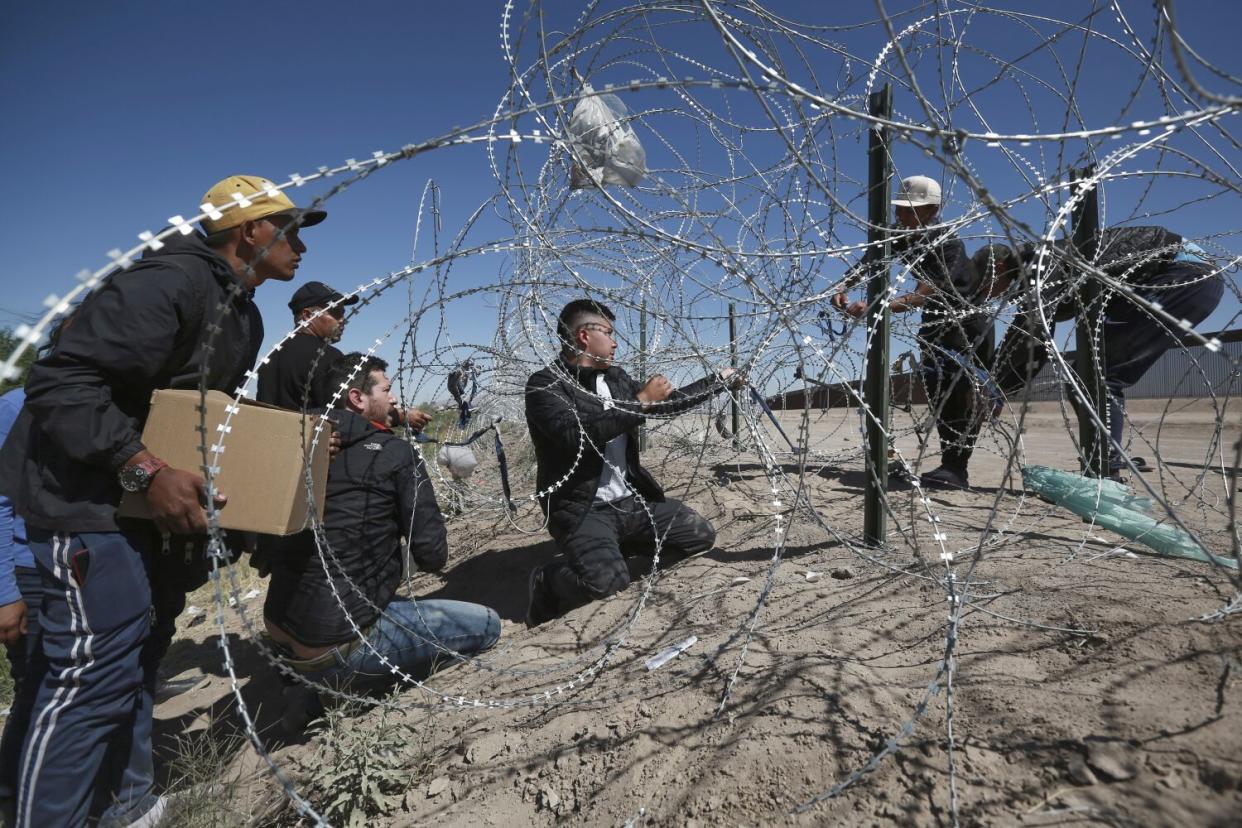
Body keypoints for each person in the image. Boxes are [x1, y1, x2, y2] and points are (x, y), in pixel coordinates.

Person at [0, 174, 326, 827]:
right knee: (86, 686)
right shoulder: (168, 283)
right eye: (288, 229)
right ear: (249, 230)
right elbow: (60, 382)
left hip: (144, 521)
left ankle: (124, 806)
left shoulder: (241, 309)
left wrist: (285, 448)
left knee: (133, 665)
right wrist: (144, 469)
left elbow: (194, 415)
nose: (300, 246)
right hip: (88, 508)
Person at [263, 353, 499, 728]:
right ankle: (343, 693)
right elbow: (433, 553)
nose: (394, 400)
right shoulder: (395, 454)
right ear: (357, 399)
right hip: (334, 649)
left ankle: (307, 681)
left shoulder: (298, 446)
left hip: (279, 629)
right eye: (386, 390)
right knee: (487, 625)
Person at [523, 299, 741, 627]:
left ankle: (616, 550)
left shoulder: (616, 378)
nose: (614, 342)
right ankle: (549, 579)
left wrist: (718, 381)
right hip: (582, 510)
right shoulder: (546, 386)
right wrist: (641, 402)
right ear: (584, 336)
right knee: (607, 584)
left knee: (700, 536)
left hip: (629, 502)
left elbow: (666, 405)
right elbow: (577, 436)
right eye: (609, 333)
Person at [977, 226, 1224, 480]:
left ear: (998, 269)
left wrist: (995, 389)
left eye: (985, 286)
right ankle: (1104, 465)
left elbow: (1032, 329)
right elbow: (1036, 338)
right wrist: (1000, 390)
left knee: (1096, 375)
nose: (987, 296)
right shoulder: (1036, 269)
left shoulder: (1037, 262)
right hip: (1182, 278)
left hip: (1183, 275)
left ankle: (1105, 473)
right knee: (1088, 375)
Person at [831, 175, 994, 490]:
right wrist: (844, 285)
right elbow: (873, 260)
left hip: (967, 327)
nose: (902, 215)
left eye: (910, 210)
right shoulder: (904, 237)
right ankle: (952, 466)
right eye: (900, 208)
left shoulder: (948, 243)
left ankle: (956, 469)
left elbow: (922, 293)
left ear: (932, 209)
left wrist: (879, 306)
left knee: (959, 396)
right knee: (938, 393)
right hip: (936, 324)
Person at [0, 387, 37, 826]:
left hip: (68, 566)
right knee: (34, 689)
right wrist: (6, 593)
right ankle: (13, 800)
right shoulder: (15, 407)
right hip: (28, 573)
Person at [256, 280, 359, 411]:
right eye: (335, 312)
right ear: (308, 315)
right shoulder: (327, 355)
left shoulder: (273, 353)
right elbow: (339, 413)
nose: (342, 319)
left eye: (343, 313)